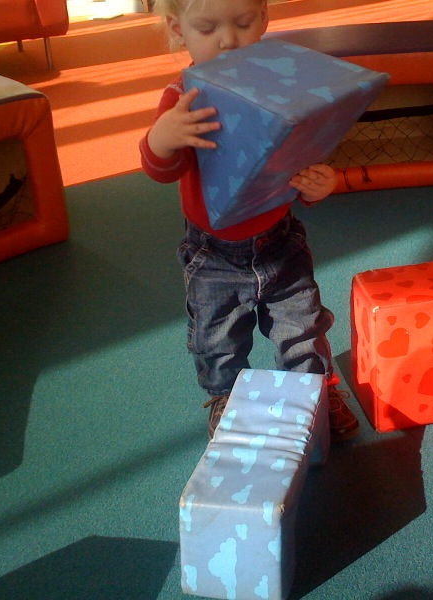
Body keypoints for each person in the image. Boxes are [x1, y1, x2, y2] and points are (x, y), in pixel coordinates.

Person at [140, 0, 360, 442]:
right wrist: (161, 138)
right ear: (178, 30)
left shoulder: (279, 85)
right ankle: (226, 396)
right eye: (207, 28)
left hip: (281, 242)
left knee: (303, 328)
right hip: (213, 254)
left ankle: (314, 391)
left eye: (243, 23)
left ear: (263, 17)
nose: (229, 40)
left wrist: (317, 185)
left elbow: (296, 156)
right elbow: (161, 169)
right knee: (217, 339)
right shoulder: (183, 98)